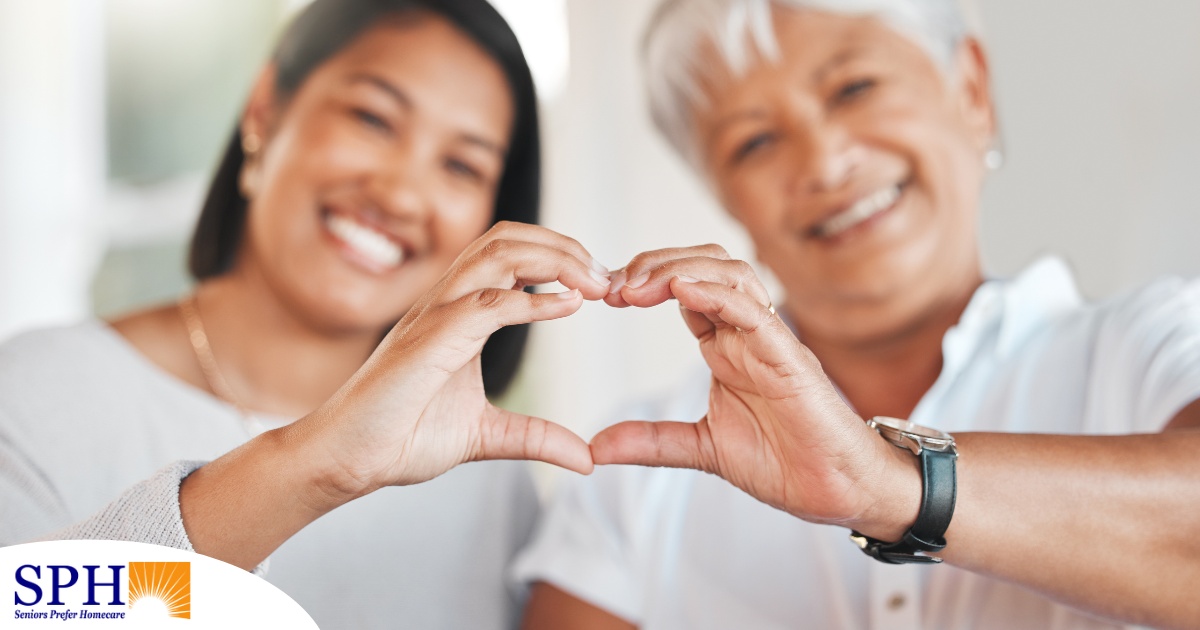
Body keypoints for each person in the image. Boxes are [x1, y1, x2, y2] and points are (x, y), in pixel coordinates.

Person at [515, 1, 1200, 628]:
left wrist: (892, 485)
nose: (823, 161)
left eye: (853, 88)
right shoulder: (637, 478)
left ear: (970, 89)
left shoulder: (1151, 346)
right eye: (754, 142)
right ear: (726, 198)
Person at [0, 1, 610, 627]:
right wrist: (310, 468)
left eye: (461, 165)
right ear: (266, 109)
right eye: (372, 118)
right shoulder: (40, 395)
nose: (399, 194)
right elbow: (23, 610)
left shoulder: (484, 477)